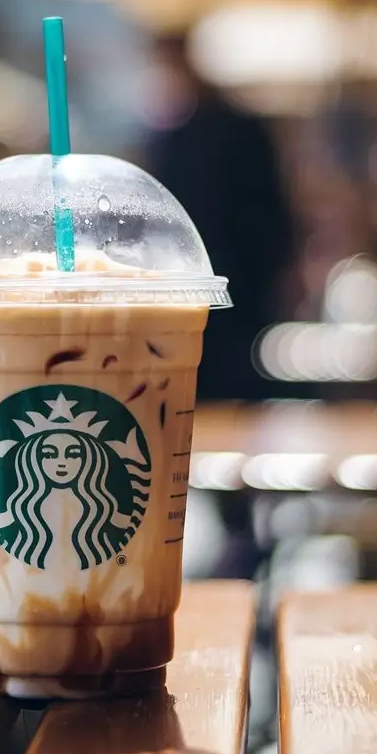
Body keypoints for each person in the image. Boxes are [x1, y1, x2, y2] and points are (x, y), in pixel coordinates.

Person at [144, 33, 295, 579]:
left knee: (218, 416)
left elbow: (272, 219)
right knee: (207, 418)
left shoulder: (202, 133)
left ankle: (241, 529)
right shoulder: (185, 134)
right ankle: (241, 531)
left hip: (225, 307)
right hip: (215, 305)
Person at [144, 33, 295, 404]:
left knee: (226, 380)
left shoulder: (217, 131)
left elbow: (269, 207)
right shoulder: (179, 136)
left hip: (234, 281)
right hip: (202, 283)